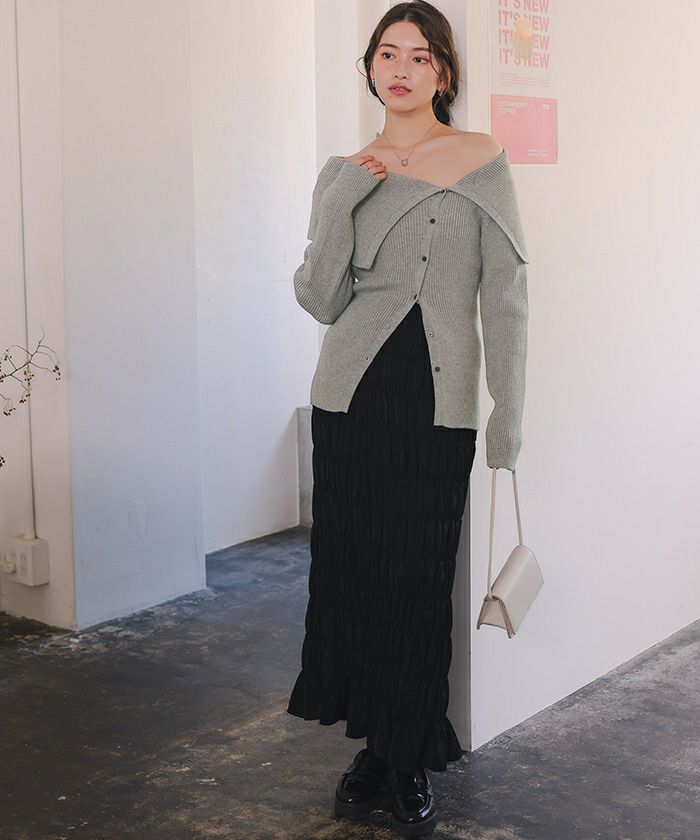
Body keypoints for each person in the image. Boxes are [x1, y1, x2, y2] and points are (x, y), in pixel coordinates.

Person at [286, 2, 529, 836]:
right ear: (369, 68)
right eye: (387, 54)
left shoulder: (482, 158)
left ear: (444, 73)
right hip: (350, 397)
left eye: (419, 56)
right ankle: (373, 749)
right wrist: (343, 198)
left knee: (418, 580)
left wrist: (507, 415)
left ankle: (408, 753)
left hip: (438, 401)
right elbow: (320, 298)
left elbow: (506, 297)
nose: (400, 69)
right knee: (355, 572)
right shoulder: (344, 169)